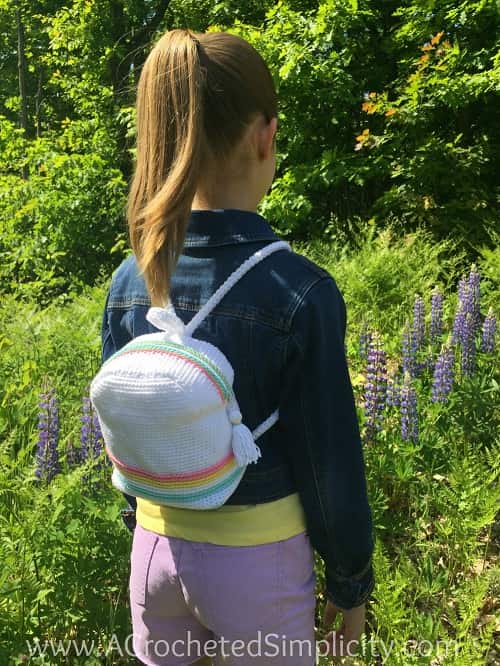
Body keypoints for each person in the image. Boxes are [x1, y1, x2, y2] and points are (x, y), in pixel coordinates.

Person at [100, 28, 375, 665]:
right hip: (258, 562)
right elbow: (327, 456)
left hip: (153, 551)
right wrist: (350, 580)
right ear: (264, 135)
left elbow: (125, 425)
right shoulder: (298, 290)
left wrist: (146, 527)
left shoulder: (129, 279)